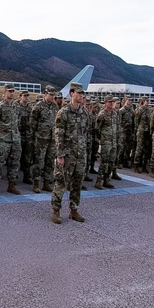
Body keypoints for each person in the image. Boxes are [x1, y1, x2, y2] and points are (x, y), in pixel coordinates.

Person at [50, 83, 92, 223]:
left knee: (77, 183)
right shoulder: (64, 112)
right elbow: (58, 135)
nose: (81, 96)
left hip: (80, 154)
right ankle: (56, 210)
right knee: (61, 183)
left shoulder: (85, 112)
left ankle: (74, 210)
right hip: (67, 155)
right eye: (78, 93)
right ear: (71, 93)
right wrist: (60, 155)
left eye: (82, 93)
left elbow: (86, 134)